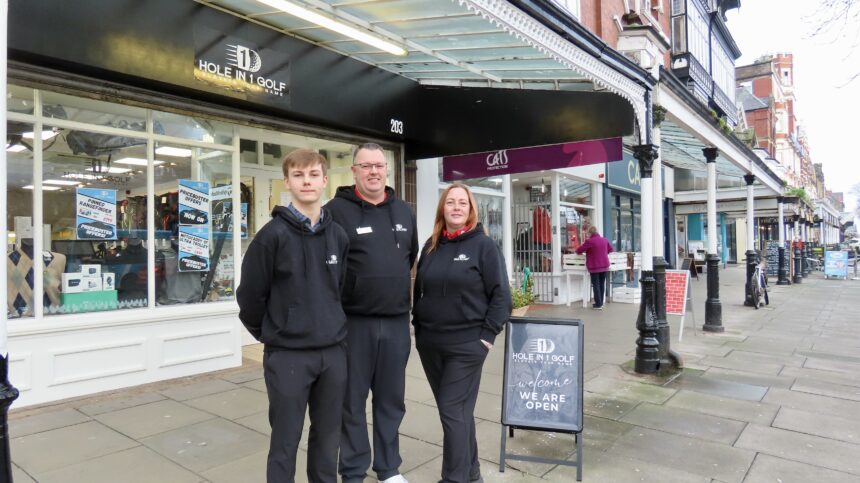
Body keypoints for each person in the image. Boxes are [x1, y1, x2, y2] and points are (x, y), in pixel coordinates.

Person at [236, 149, 350, 483]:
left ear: (325, 181)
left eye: (314, 174)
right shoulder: (271, 237)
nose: (307, 182)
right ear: (287, 182)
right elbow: (250, 298)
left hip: (332, 354)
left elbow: (339, 289)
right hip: (287, 357)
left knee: (328, 442)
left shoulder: (338, 236)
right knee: (285, 443)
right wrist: (275, 332)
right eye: (298, 175)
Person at [325, 143, 418, 483]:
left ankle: (389, 467)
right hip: (354, 324)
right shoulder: (335, 210)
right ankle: (352, 470)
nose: (374, 172)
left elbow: (411, 259)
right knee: (351, 401)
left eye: (379, 165)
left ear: (386, 170)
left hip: (396, 323)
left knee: (391, 400)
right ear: (354, 171)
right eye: (366, 166)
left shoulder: (405, 212)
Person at [412, 183, 511, 483]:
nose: (456, 207)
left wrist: (487, 335)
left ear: (471, 210)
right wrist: (418, 325)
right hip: (430, 344)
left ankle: (453, 478)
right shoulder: (431, 245)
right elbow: (419, 290)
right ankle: (473, 474)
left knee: (451, 410)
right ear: (443, 207)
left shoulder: (484, 246)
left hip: (467, 345)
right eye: (451, 202)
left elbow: (501, 296)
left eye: (462, 203)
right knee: (460, 413)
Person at [575, 225, 614, 310]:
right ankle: (600, 303)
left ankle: (598, 304)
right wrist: (602, 253)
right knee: (601, 284)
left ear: (590, 233)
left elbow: (579, 250)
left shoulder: (589, 241)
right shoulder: (604, 240)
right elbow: (611, 249)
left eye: (588, 233)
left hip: (595, 266)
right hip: (604, 265)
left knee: (596, 284)